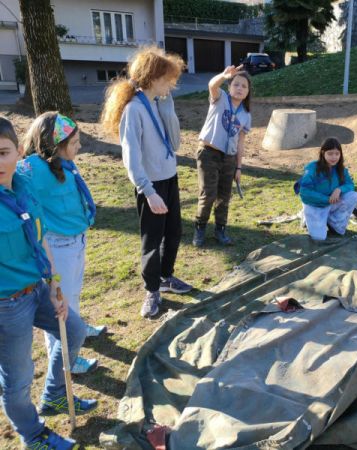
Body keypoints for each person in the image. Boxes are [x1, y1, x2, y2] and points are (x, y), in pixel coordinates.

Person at [0, 116, 97, 450]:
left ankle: (55, 394)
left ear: (18, 151)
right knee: (18, 378)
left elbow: (39, 239)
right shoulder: (27, 175)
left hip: (38, 289)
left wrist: (55, 285)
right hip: (6, 304)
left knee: (74, 329)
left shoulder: (22, 186)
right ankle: (32, 433)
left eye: (3, 152)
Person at [101, 46, 192, 318]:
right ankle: (151, 290)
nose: (172, 84)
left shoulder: (158, 103)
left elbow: (174, 143)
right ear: (152, 78)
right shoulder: (134, 110)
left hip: (169, 179)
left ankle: (165, 278)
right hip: (150, 186)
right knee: (152, 241)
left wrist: (169, 108)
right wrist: (148, 191)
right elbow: (131, 157)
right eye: (168, 79)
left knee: (174, 233)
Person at [21, 111, 105, 375]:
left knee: (72, 295)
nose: (79, 146)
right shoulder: (33, 168)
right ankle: (65, 361)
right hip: (57, 247)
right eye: (74, 142)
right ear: (53, 143)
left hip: (76, 242)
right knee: (59, 304)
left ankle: (76, 326)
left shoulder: (63, 162)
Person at [193, 65, 252, 247]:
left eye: (244, 86)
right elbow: (212, 85)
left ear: (248, 91)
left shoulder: (246, 114)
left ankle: (220, 230)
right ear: (229, 87)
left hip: (229, 158)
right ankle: (200, 228)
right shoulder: (220, 99)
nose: (240, 88)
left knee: (224, 196)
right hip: (209, 154)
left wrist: (239, 167)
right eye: (236, 84)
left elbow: (241, 142)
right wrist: (223, 75)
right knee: (208, 194)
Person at [298, 137, 357, 241]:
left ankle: (334, 222)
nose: (334, 157)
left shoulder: (341, 169)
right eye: (330, 153)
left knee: (354, 196)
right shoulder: (312, 168)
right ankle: (307, 216)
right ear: (323, 153)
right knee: (319, 238)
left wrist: (339, 189)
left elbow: (350, 184)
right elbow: (304, 192)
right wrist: (326, 199)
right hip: (315, 205)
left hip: (332, 203)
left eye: (337, 154)